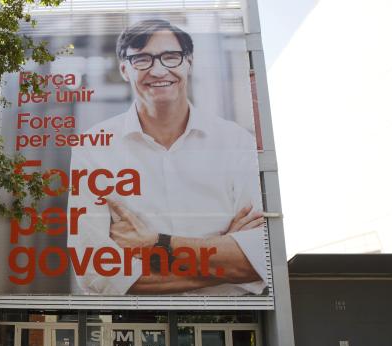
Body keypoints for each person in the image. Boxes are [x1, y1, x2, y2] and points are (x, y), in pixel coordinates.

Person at [67, 19, 267, 295]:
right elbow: (94, 270)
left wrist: (154, 244)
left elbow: (262, 255)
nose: (158, 69)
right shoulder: (93, 147)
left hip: (231, 323)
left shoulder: (236, 142)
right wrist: (224, 259)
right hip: (138, 322)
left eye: (170, 57)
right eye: (142, 59)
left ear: (189, 62)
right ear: (125, 69)